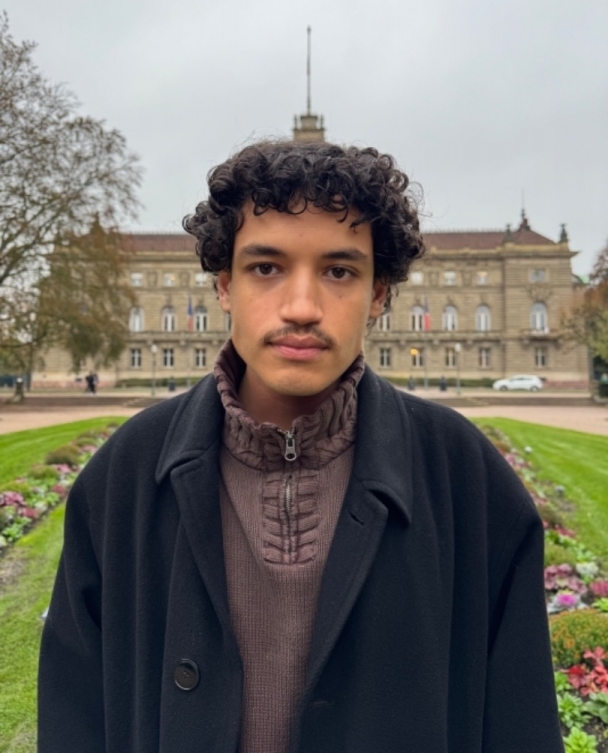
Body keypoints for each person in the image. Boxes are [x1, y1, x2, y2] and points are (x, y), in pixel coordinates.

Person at [38, 140, 563, 753]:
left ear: (379, 293)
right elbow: (74, 715)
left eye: (339, 271)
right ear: (223, 286)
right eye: (266, 267)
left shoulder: (469, 480)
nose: (302, 307)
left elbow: (521, 720)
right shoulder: (123, 476)